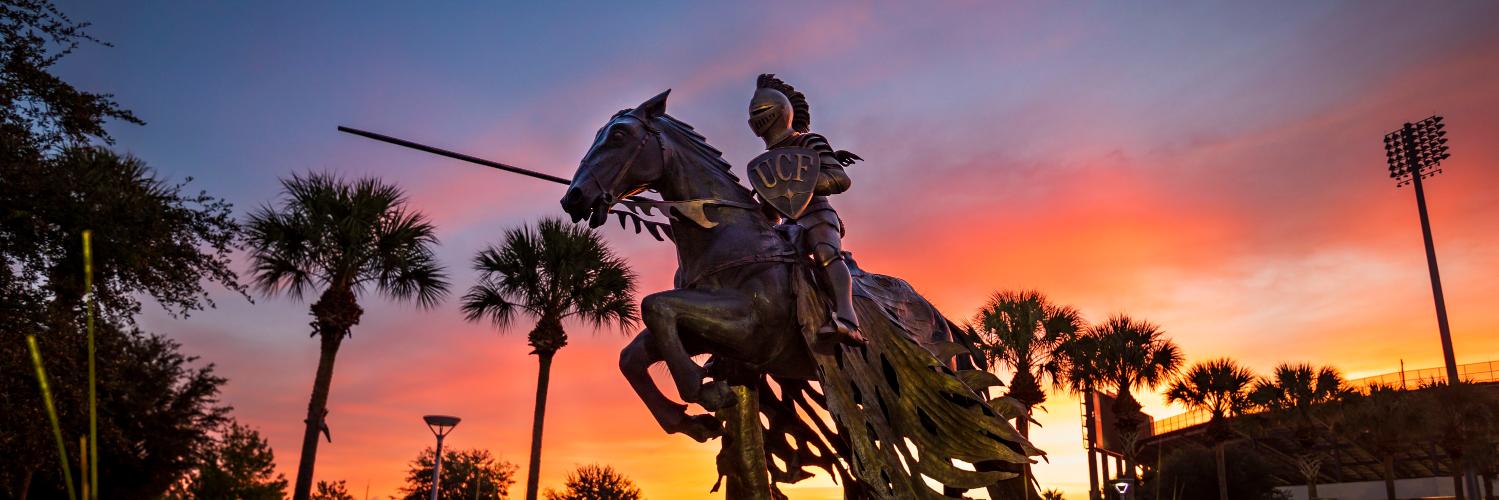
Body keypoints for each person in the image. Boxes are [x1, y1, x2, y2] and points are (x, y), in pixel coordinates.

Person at [748, 74, 865, 345]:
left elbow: (839, 179)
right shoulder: (763, 162)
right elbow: (773, 210)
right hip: (787, 227)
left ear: (780, 111)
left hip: (817, 215)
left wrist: (802, 184)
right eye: (753, 113)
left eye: (762, 110)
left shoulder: (809, 142)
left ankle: (848, 320)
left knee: (826, 254)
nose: (756, 118)